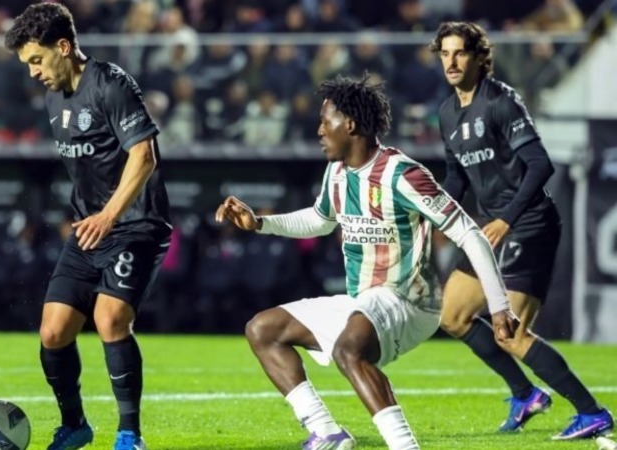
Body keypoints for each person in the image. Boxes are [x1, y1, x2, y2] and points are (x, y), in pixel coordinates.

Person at [216, 73, 515, 450]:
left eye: (325, 121)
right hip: (365, 300)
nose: (319, 130)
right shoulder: (337, 171)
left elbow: (470, 233)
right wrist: (261, 223)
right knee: (263, 329)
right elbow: (320, 220)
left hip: (409, 300)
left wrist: (500, 305)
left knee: (348, 350)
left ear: (350, 124)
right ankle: (326, 432)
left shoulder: (403, 174)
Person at [431, 21, 614, 439]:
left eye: (460, 53)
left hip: (527, 224)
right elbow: (457, 177)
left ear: (479, 57)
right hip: (491, 230)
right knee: (453, 316)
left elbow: (540, 164)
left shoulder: (500, 101)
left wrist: (507, 218)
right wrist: (431, 213)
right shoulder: (446, 113)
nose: (451, 62)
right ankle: (525, 394)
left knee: (510, 333)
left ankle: (592, 413)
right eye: (444, 54)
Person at [5, 4, 172, 450]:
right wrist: (89, 215)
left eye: (36, 60)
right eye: (27, 65)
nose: (33, 72)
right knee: (53, 331)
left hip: (135, 223)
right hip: (90, 228)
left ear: (63, 47)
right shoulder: (53, 96)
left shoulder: (111, 85)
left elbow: (144, 156)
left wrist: (109, 214)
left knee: (109, 318)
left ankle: (129, 434)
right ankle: (75, 425)